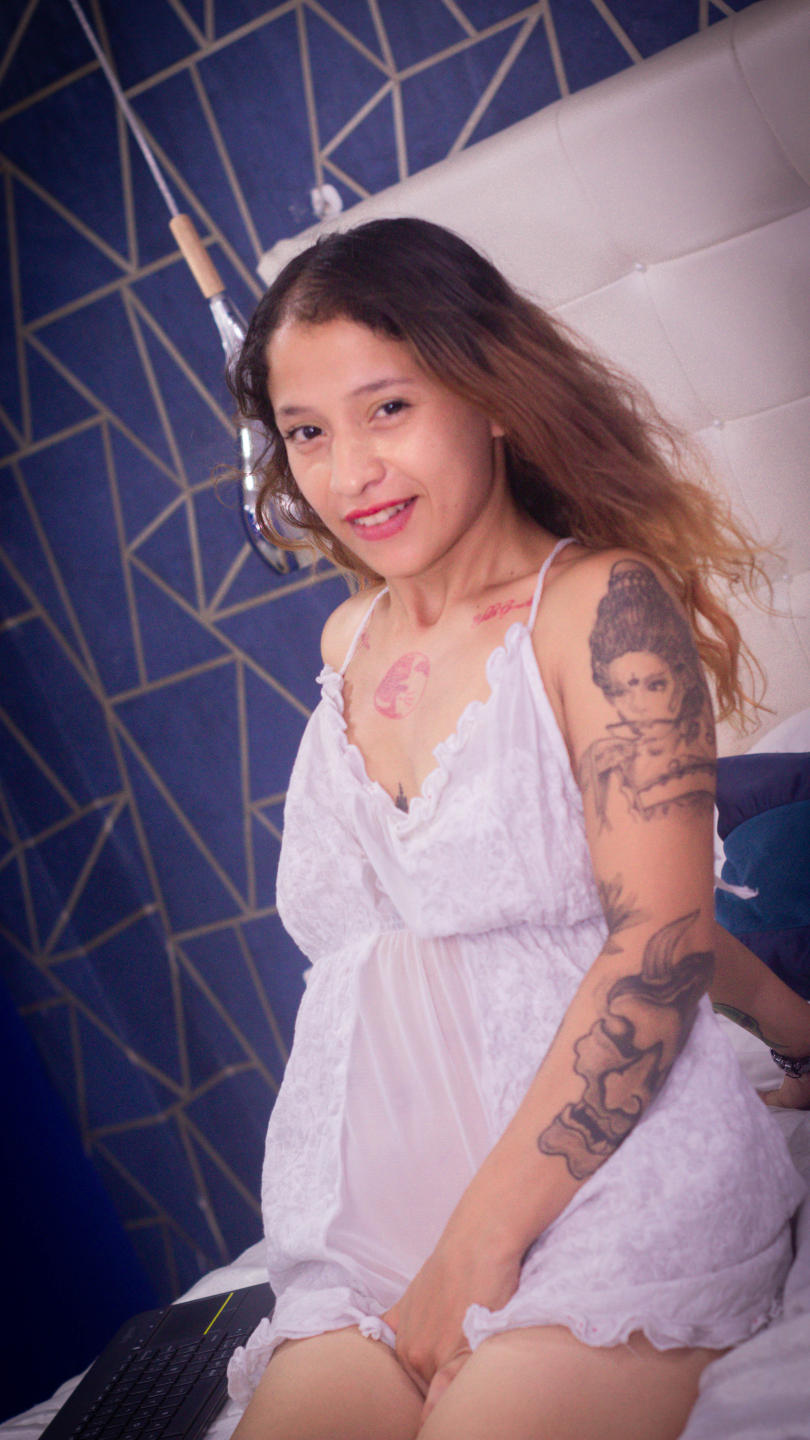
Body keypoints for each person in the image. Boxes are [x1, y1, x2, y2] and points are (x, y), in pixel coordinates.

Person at [225, 218, 809, 1440]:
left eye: (388, 408)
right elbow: (504, 927)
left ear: (488, 395)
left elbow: (654, 938)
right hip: (384, 1202)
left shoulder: (600, 609)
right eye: (308, 432)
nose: (349, 471)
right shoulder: (349, 640)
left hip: (608, 1180)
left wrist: (478, 1248)